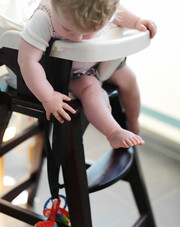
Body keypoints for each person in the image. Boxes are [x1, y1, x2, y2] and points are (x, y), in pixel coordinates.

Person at [18, 0, 157, 149]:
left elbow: (120, 15)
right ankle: (113, 132)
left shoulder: (102, 9)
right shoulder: (44, 18)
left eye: (88, 33)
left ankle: (133, 121)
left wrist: (137, 22)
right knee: (90, 88)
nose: (77, 38)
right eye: (67, 29)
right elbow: (28, 61)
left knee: (129, 78)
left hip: (99, 63)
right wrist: (48, 96)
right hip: (69, 73)